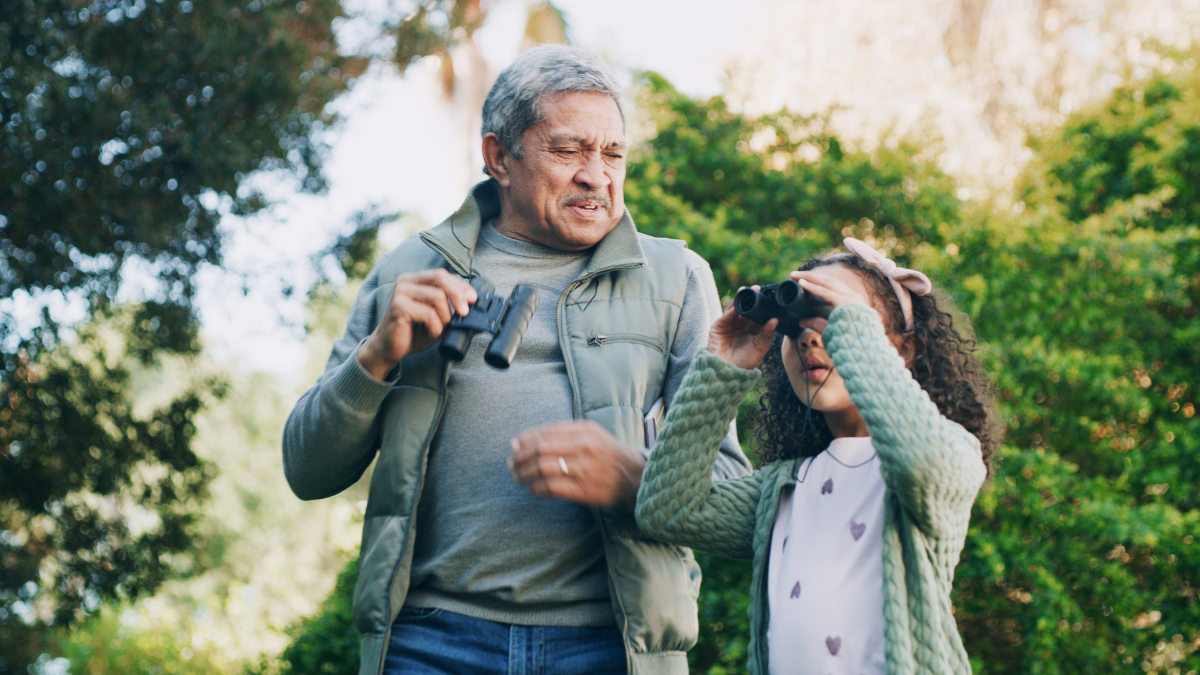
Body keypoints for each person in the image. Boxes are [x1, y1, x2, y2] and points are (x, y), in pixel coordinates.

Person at [282, 44, 749, 675]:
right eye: (568, 150)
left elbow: (732, 498)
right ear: (500, 157)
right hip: (428, 642)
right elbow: (307, 472)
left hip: (614, 647)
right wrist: (376, 358)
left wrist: (635, 476)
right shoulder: (409, 272)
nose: (596, 175)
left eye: (613, 154)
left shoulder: (678, 278)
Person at [635, 239, 998, 675]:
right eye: (795, 327)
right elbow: (667, 509)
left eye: (831, 319)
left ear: (901, 350)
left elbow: (924, 465)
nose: (810, 338)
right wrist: (722, 368)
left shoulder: (948, 453)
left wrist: (853, 332)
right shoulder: (787, 487)